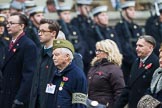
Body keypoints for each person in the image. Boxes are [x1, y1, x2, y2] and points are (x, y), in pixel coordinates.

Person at [0, 12, 38, 108]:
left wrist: (20, 99)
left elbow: (29, 75)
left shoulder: (28, 45)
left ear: (21, 26)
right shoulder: (8, 43)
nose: (8, 26)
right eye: (7, 23)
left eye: (12, 23)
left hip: (17, 96)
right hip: (6, 93)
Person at [114, 35, 159, 108]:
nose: (137, 48)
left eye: (140, 46)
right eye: (136, 45)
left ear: (150, 48)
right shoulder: (136, 62)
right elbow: (129, 87)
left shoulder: (156, 63)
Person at [44, 39, 87, 108]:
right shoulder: (55, 73)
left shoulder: (77, 75)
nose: (53, 58)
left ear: (67, 56)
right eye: (53, 55)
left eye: (57, 55)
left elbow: (79, 104)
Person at [29, 19, 60, 108]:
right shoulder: (39, 53)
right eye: (39, 31)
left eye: (43, 31)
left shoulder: (58, 55)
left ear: (53, 33)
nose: (39, 34)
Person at [87, 39, 125, 108]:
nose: (96, 53)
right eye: (96, 50)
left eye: (99, 51)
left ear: (108, 52)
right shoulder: (94, 67)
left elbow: (120, 92)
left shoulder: (114, 69)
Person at [85, 5, 122, 74]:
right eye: (102, 15)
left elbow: (118, 47)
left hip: (113, 63)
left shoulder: (111, 30)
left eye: (106, 15)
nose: (106, 17)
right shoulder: (91, 31)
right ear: (96, 19)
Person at [115, 0, 143, 84]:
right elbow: (123, 46)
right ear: (124, 11)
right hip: (127, 63)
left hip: (138, 61)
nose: (133, 12)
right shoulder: (119, 27)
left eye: (134, 9)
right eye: (130, 10)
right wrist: (134, 59)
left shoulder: (136, 27)